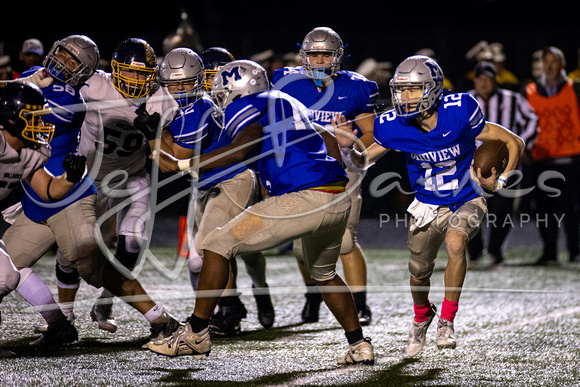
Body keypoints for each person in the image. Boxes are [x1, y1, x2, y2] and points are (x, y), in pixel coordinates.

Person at [146, 60, 374, 365]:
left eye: (222, 91)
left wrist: (184, 165)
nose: (219, 97)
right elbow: (329, 139)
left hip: (303, 198)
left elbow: (243, 148)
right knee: (325, 274)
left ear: (235, 90)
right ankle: (359, 345)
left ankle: (195, 334)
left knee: (215, 245)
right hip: (336, 196)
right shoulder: (287, 101)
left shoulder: (246, 105)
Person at [334, 55, 524, 357]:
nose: (404, 97)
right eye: (401, 90)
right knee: (419, 273)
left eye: (413, 89)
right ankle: (422, 316)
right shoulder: (394, 125)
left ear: (433, 90)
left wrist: (500, 182)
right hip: (425, 203)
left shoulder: (459, 112)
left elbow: (514, 141)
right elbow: (363, 161)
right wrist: (348, 151)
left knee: (456, 241)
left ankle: (447, 320)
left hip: (467, 197)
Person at [3, 36, 182, 344]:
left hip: (68, 188)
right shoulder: (46, 82)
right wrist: (29, 79)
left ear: (83, 73)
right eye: (61, 55)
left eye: (73, 62)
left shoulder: (68, 97)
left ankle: (162, 321)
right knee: (8, 265)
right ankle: (60, 325)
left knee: (92, 266)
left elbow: (35, 105)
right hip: (39, 190)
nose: (62, 64)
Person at [151, 47, 274, 335]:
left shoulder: (209, 108)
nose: (210, 85)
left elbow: (173, 161)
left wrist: (155, 134)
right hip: (204, 182)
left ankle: (244, 299)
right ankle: (223, 308)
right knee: (209, 252)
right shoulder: (194, 105)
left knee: (229, 249)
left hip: (234, 178)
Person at [271, 26, 377, 326]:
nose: (319, 61)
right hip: (302, 171)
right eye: (313, 54)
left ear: (337, 56)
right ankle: (312, 294)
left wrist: (350, 141)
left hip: (344, 170)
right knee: (300, 245)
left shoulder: (356, 87)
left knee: (344, 242)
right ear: (304, 56)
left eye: (325, 55)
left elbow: (370, 135)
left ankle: (359, 304)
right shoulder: (284, 82)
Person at [77, 38, 182, 332]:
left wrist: (158, 136)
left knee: (133, 239)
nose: (136, 79)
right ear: (114, 69)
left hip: (132, 174)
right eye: (129, 72)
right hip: (88, 176)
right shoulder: (95, 85)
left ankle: (106, 300)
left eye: (142, 73)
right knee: (76, 250)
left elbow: (169, 149)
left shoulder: (163, 100)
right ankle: (62, 318)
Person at [0, 81, 82, 347]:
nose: (41, 124)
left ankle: (56, 322)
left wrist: (70, 177)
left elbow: (47, 189)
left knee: (8, 276)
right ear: (12, 118)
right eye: (34, 118)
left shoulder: (28, 152)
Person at [466, 61, 539, 267]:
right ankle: (475, 252)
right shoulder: (465, 101)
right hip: (472, 165)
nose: (483, 83)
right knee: (470, 209)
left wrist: (520, 144)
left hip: (506, 165)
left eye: (488, 78)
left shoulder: (513, 99)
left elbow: (533, 121)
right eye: (479, 78)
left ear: (495, 80)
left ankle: (496, 251)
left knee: (501, 211)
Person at [525, 46, 580, 265]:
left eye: (554, 61)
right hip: (540, 159)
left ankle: (574, 250)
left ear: (563, 64)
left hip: (569, 158)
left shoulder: (574, 88)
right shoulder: (528, 90)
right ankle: (549, 252)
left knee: (571, 209)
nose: (549, 65)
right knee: (544, 210)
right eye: (545, 60)